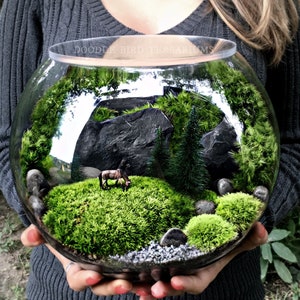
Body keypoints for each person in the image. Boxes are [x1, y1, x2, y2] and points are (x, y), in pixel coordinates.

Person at [0, 0, 299, 299]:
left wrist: (242, 229)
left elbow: (291, 143)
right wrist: (48, 227)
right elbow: (6, 143)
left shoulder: (268, 5)